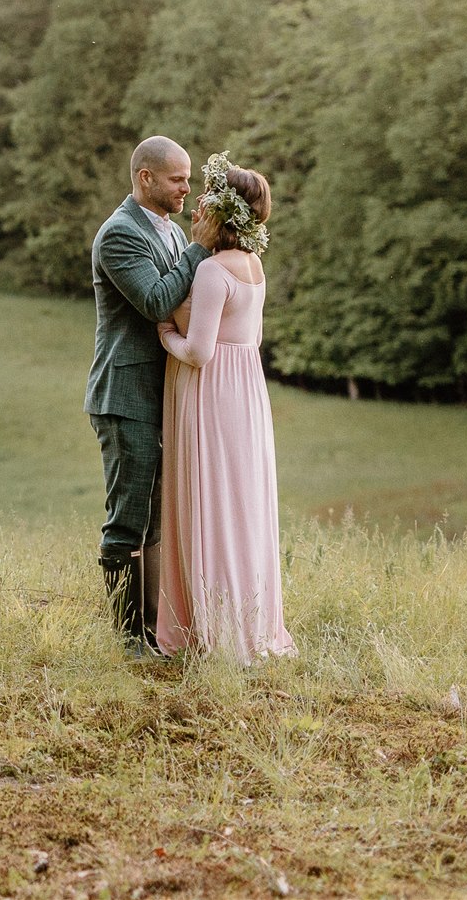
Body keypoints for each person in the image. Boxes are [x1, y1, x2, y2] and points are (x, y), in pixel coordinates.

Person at [154, 155, 295, 663]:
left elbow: (199, 351)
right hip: (246, 395)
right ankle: (248, 619)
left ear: (224, 212)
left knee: (209, 501)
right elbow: (250, 338)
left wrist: (166, 333)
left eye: (208, 201)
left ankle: (213, 628)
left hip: (209, 394)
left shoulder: (214, 271)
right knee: (241, 505)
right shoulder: (255, 268)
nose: (199, 209)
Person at [85, 136, 218, 657]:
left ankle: (155, 631)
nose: (188, 188)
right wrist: (200, 248)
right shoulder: (119, 235)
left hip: (160, 394)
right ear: (145, 178)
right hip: (126, 395)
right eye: (178, 179)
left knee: (157, 520)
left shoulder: (164, 229)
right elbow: (158, 300)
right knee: (128, 519)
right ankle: (127, 640)